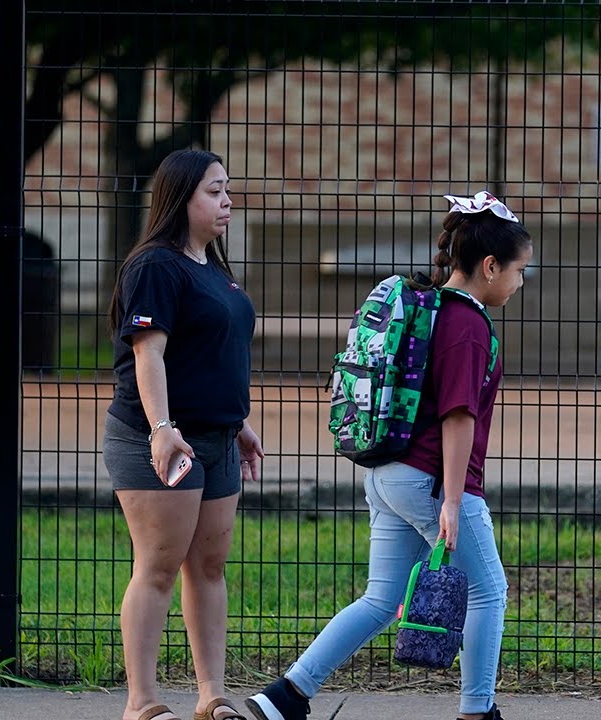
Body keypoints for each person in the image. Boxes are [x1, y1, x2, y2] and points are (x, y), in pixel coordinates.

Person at [245, 192, 532, 720]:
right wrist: (452, 499)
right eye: (518, 271)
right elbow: (458, 417)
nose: (519, 282)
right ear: (490, 267)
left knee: (381, 600)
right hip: (430, 480)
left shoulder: (427, 310)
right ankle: (477, 711)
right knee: (489, 591)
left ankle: (286, 695)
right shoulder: (468, 325)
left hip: (386, 473)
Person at [103, 148, 263, 720]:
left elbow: (212, 352)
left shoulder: (210, 266)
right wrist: (162, 428)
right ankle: (142, 702)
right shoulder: (155, 266)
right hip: (161, 438)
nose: (227, 201)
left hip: (218, 438)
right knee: (159, 563)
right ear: (180, 199)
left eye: (226, 189)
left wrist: (237, 423)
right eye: (214, 191)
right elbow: (150, 356)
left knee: (210, 566)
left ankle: (210, 696)